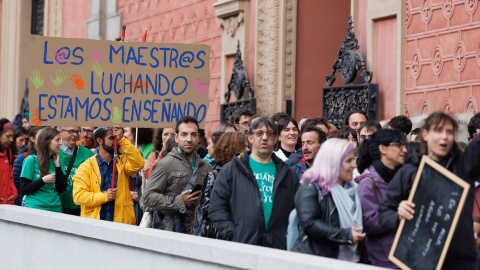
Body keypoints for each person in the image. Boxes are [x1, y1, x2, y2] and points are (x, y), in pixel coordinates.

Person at [379, 112, 480, 269]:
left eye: (449, 132)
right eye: (438, 131)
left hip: (460, 261)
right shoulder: (410, 171)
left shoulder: (463, 166)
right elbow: (383, 214)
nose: (444, 137)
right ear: (425, 134)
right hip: (421, 260)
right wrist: (398, 214)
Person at [209, 116, 299, 249]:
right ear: (250, 138)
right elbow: (216, 207)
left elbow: (298, 210)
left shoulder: (288, 174)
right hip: (243, 246)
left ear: (275, 139)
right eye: (259, 133)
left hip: (278, 248)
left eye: (269, 133)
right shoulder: (232, 170)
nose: (264, 137)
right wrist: (233, 235)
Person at [291, 139, 367, 262]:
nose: (354, 165)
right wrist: (346, 235)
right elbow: (310, 224)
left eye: (353, 159)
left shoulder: (353, 190)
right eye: (348, 161)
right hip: (320, 262)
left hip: (352, 261)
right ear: (333, 163)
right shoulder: (311, 189)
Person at [142, 116, 212, 233]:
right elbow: (148, 198)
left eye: (193, 134)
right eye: (184, 134)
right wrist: (178, 201)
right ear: (176, 137)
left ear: (199, 137)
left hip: (199, 233)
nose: (189, 139)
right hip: (172, 233)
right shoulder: (165, 164)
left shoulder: (206, 167)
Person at [354, 129, 406, 268]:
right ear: (383, 149)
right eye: (399, 145)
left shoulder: (400, 177)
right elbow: (367, 222)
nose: (404, 150)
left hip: (403, 255)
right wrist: (397, 217)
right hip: (381, 259)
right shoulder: (368, 183)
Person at [73, 126, 145, 224]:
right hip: (95, 224)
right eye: (111, 138)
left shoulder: (122, 163)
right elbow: (78, 196)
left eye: (116, 138)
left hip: (121, 223)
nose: (115, 141)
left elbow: (139, 163)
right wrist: (105, 196)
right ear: (99, 140)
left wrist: (122, 139)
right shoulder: (86, 167)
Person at [193, 131, 249, 238]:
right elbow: (207, 210)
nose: (249, 150)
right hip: (219, 236)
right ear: (235, 148)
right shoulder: (215, 175)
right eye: (245, 146)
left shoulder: (247, 173)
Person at [20, 127, 67, 212]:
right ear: (46, 141)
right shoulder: (31, 160)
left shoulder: (57, 160)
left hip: (55, 208)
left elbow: (62, 189)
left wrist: (58, 167)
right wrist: (43, 181)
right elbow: (24, 189)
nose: (60, 143)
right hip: (35, 208)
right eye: (57, 140)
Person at [58, 126, 93, 215]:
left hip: (80, 206)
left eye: (77, 132)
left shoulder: (87, 153)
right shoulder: (53, 151)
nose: (75, 135)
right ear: (61, 132)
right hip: (57, 204)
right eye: (71, 131)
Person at [13, 126, 44, 206]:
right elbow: (18, 185)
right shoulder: (24, 157)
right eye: (41, 136)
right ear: (32, 139)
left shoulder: (53, 159)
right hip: (27, 204)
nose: (44, 139)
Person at [0, 118, 17, 205]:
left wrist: (14, 193)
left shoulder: (8, 152)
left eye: (12, 136)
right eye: (8, 136)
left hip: (8, 203)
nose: (11, 140)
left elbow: (10, 176)